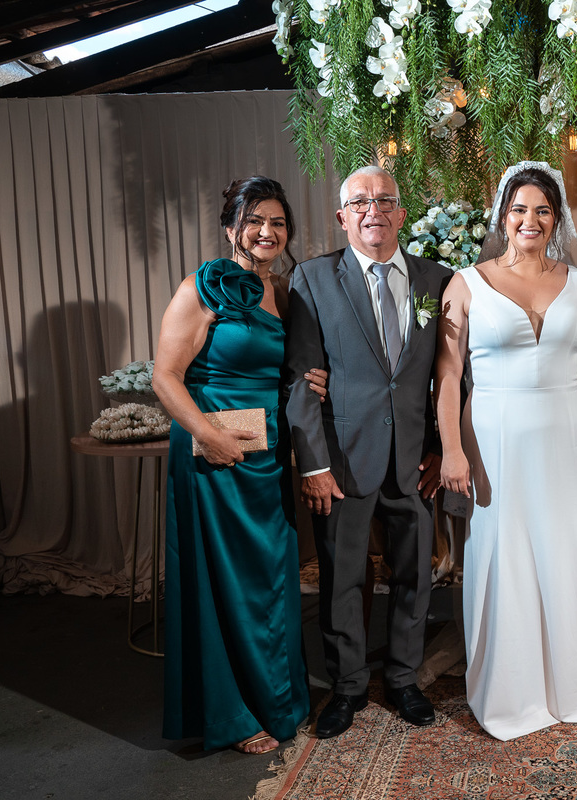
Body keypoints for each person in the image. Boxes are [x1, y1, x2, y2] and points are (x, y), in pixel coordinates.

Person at [434, 162, 577, 740]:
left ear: (557, 218)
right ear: (502, 216)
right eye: (520, 209)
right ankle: (512, 689)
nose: (531, 219)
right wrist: (451, 449)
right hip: (496, 437)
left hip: (568, 438)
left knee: (573, 553)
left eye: (543, 210)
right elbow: (448, 377)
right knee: (506, 556)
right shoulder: (465, 282)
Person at [284, 165, 449, 737]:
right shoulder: (312, 278)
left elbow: (449, 377)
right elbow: (301, 380)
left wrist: (441, 449)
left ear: (401, 213)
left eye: (384, 200)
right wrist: (315, 463)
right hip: (342, 460)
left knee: (414, 577)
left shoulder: (437, 279)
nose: (372, 209)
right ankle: (348, 687)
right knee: (342, 578)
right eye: (359, 202)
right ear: (341, 216)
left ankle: (404, 679)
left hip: (413, 459)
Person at [155, 176, 318, 754]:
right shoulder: (203, 288)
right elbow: (165, 377)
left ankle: (278, 699)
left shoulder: (286, 295)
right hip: (213, 453)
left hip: (266, 452)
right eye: (255, 221)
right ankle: (233, 714)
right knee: (223, 582)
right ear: (232, 229)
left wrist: (307, 378)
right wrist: (206, 434)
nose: (267, 232)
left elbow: (282, 370)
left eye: (277, 223)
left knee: (271, 576)